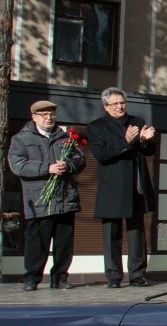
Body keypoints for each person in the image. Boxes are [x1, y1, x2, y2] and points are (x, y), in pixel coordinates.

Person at [8, 100, 87, 290]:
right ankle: (31, 279)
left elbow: (80, 160)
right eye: (44, 115)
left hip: (65, 198)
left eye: (52, 114)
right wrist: (47, 168)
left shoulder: (64, 137)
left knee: (64, 243)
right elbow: (18, 165)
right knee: (37, 243)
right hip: (39, 200)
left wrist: (67, 165)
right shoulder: (22, 139)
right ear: (34, 117)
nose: (49, 118)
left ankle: (60, 278)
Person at [90, 88, 157, 288]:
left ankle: (137, 275)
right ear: (106, 107)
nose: (120, 107)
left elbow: (149, 151)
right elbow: (102, 154)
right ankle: (114, 276)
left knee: (137, 233)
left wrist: (145, 141)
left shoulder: (136, 122)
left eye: (122, 102)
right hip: (112, 188)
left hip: (135, 186)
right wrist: (126, 141)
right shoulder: (96, 127)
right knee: (112, 233)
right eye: (115, 104)